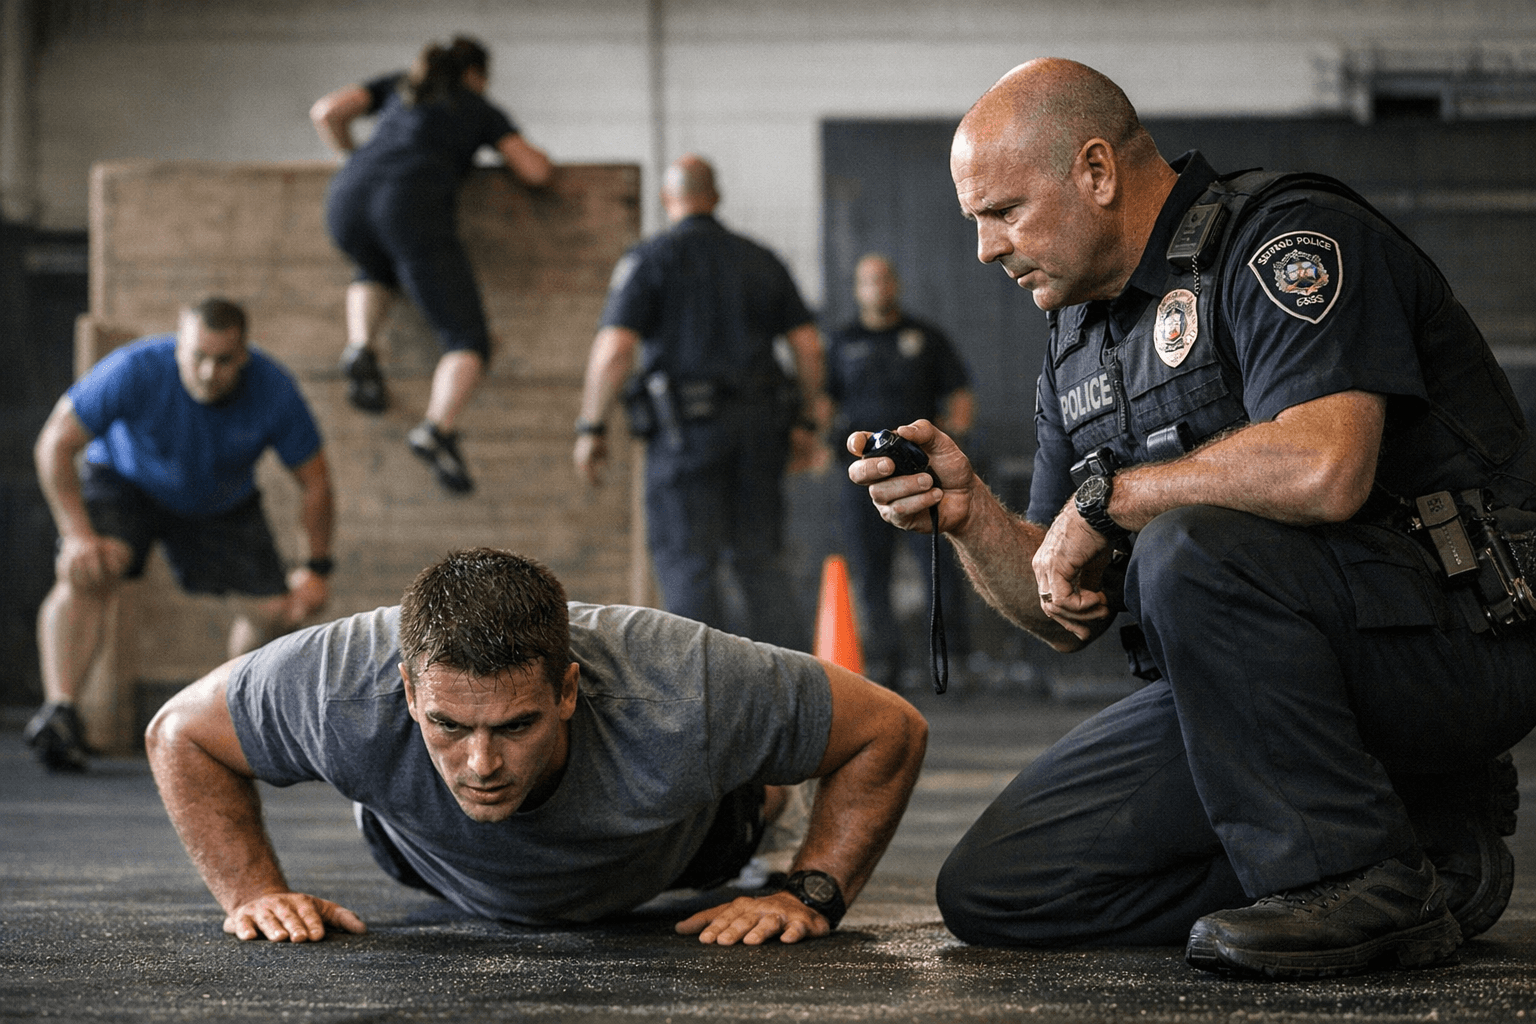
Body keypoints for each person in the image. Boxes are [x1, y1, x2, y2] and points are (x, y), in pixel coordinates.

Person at [848, 58, 1534, 979]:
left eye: (1003, 211)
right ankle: (1425, 848)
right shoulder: (1079, 341)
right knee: (1001, 889)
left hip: (1458, 642)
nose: (985, 248)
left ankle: (1365, 881)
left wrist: (1119, 495)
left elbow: (1327, 464)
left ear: (1096, 172)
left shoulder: (1285, 240)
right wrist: (971, 516)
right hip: (1254, 689)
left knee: (1183, 546)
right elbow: (1061, 610)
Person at [145, 547, 926, 946]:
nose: (481, 763)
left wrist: (811, 895)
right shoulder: (333, 685)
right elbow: (179, 734)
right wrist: (251, 895)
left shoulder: (685, 683)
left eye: (515, 726)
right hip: (427, 858)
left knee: (753, 786)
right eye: (449, 725)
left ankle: (762, 796)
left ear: (567, 691)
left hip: (685, 855)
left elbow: (888, 728)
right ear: (410, 692)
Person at [27, 298, 334, 773]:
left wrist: (315, 568)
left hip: (219, 501)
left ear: (244, 355)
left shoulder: (274, 391)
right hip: (126, 483)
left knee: (277, 610)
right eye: (198, 357)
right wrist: (76, 535)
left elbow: (315, 483)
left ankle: (238, 720)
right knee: (88, 568)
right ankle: (62, 712)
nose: (209, 372)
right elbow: (55, 443)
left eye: (223, 360)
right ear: (179, 349)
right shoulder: (136, 367)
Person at [572, 155, 828, 651]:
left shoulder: (650, 259)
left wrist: (591, 426)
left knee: (689, 563)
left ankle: (703, 699)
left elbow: (615, 350)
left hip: (684, 437)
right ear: (715, 197)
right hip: (759, 432)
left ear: (669, 200)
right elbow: (808, 348)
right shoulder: (761, 258)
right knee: (761, 563)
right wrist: (806, 421)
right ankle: (797, 693)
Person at [310, 35, 554, 494]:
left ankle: (361, 345)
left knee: (376, 267)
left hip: (346, 199)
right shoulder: (477, 107)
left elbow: (326, 112)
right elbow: (535, 172)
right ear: (476, 75)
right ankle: (437, 429)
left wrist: (350, 155)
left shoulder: (399, 85)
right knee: (467, 339)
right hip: (409, 209)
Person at [828, 254, 975, 688]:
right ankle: (884, 665)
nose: (877, 287)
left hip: (921, 473)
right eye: (868, 281)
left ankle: (954, 663)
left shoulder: (926, 338)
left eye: (884, 279)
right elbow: (823, 401)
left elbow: (960, 397)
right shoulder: (840, 342)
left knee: (938, 568)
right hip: (862, 478)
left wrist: (950, 445)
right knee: (871, 572)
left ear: (895, 284)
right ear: (858, 289)